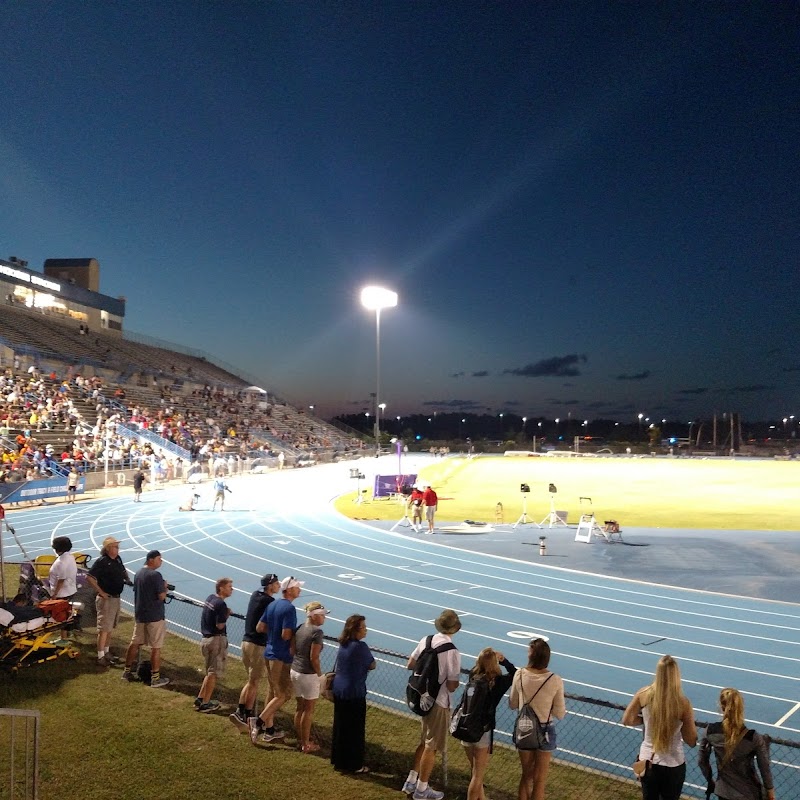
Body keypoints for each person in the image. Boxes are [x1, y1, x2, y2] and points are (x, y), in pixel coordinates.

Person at [402, 609, 462, 800]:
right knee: (432, 746)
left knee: (424, 741)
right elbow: (452, 686)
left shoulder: (426, 640)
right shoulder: (451, 651)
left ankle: (411, 780)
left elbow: (410, 664)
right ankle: (421, 789)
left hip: (422, 697)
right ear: (455, 628)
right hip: (439, 701)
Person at [622, 654, 697, 800]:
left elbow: (627, 720)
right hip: (674, 763)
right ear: (676, 675)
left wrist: (647, 721)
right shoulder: (682, 703)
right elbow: (691, 739)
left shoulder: (643, 694)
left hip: (648, 761)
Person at [509, 638, 566, 800]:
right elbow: (560, 712)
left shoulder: (519, 674)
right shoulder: (554, 679)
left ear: (531, 656)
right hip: (545, 730)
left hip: (524, 727)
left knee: (526, 776)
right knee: (539, 780)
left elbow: (513, 703)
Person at [249, 576, 304, 745]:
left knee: (272, 693)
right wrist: (296, 635)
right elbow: (286, 634)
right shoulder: (289, 609)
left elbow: (260, 627)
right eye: (296, 587)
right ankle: (258, 722)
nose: (300, 590)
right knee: (284, 694)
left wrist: (272, 636)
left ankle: (269, 730)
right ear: (288, 590)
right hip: (281, 656)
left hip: (269, 651)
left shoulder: (272, 604)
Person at [698, 687, 775, 800]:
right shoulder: (753, 738)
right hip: (748, 793)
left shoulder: (710, 731)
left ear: (721, 706)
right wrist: (770, 792)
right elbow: (764, 768)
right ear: (741, 707)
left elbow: (701, 761)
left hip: (723, 791)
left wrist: (711, 781)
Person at [461, 648, 517, 800]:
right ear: (495, 664)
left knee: (475, 770)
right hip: (483, 730)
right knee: (477, 776)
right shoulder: (499, 682)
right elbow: (515, 673)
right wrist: (504, 661)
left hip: (465, 726)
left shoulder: (473, 675)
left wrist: (486, 658)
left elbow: (478, 667)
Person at [230, 573, 281, 732]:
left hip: (246, 642)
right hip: (258, 645)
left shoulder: (255, 595)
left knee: (251, 680)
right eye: (276, 583)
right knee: (255, 681)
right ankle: (245, 715)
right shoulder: (270, 602)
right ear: (270, 585)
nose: (279, 586)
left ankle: (242, 712)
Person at [331, 614, 376, 773]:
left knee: (341, 726)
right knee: (355, 730)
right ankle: (354, 764)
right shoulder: (360, 647)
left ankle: (339, 760)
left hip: (339, 689)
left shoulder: (343, 643)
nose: (365, 630)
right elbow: (372, 664)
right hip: (353, 692)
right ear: (355, 630)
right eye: (363, 627)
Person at [122, 549, 170, 688]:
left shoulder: (138, 574)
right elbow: (161, 596)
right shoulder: (155, 575)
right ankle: (155, 678)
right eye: (159, 559)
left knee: (135, 643)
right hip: (155, 616)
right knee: (156, 647)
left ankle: (126, 672)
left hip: (140, 614)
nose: (161, 562)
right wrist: (165, 588)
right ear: (151, 559)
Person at [86, 535, 132, 666]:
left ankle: (106, 652)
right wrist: (101, 592)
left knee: (110, 627)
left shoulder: (117, 559)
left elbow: (123, 570)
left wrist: (127, 579)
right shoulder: (102, 561)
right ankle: (100, 656)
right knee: (104, 628)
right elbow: (89, 577)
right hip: (107, 599)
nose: (118, 549)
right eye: (115, 547)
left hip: (116, 597)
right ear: (108, 548)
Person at [290, 601, 330, 752]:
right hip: (308, 675)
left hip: (295, 671)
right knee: (308, 710)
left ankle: (300, 740)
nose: (324, 619)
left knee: (299, 708)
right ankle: (306, 744)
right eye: (322, 616)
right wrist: (319, 675)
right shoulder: (316, 633)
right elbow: (314, 657)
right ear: (314, 616)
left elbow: (292, 649)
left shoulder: (300, 628)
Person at [194, 577, 233, 713]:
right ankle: (206, 703)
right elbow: (220, 625)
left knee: (209, 671)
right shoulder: (221, 604)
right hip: (216, 640)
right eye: (229, 587)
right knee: (213, 673)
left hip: (206, 639)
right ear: (221, 588)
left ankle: (200, 698)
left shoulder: (210, 598)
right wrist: (226, 614)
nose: (232, 589)